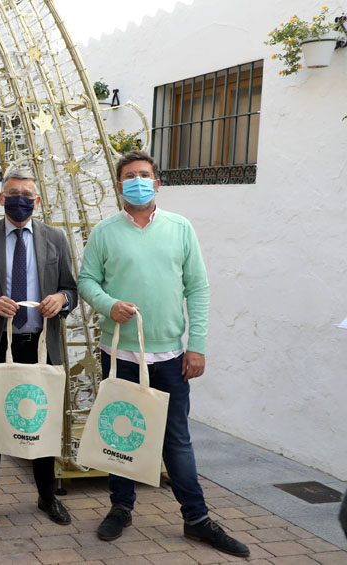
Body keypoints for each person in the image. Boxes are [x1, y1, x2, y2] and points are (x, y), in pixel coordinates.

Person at [77, 150, 249, 558]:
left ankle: (197, 519)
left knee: (177, 441)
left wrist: (198, 346)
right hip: (119, 352)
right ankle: (121, 507)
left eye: (145, 175)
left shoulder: (180, 228)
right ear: (119, 186)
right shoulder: (104, 232)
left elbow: (198, 289)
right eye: (130, 176)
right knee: (120, 431)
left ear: (157, 183)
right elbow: (86, 280)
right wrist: (108, 304)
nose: (138, 181)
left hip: (171, 356)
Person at [0, 168, 77, 527]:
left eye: (28, 195)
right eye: (13, 193)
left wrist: (61, 299)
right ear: (1, 198)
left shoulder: (55, 239)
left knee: (41, 421)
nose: (20, 200)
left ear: (38, 201)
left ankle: (47, 497)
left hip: (41, 346)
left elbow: (71, 290)